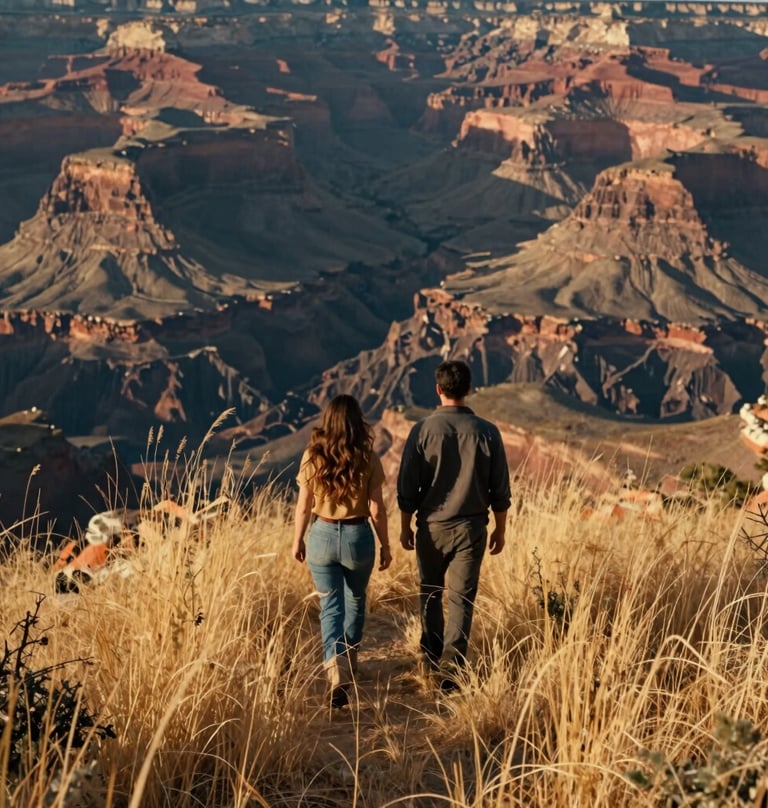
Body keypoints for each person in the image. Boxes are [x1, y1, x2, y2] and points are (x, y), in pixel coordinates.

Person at [397, 359, 511, 691]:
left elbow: (407, 487)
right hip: (471, 530)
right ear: (469, 389)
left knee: (430, 593)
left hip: (430, 528)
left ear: (438, 389)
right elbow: (500, 490)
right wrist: (500, 530)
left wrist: (405, 527)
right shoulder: (488, 431)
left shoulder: (422, 430)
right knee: (462, 598)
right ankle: (452, 668)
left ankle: (430, 656)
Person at [292, 394, 392, 708]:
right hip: (358, 535)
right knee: (356, 598)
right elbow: (376, 509)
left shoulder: (313, 454)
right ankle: (350, 661)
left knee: (330, 606)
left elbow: (303, 506)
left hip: (321, 534)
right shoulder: (367, 455)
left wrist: (298, 540)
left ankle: (334, 668)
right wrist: (385, 544)